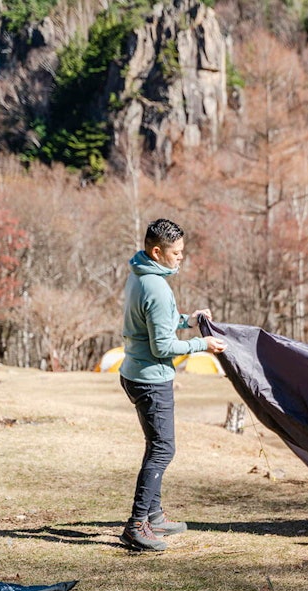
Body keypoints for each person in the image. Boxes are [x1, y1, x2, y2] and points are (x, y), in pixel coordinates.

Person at [118, 218, 226, 551]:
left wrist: (188, 321)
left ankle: (154, 516)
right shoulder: (157, 288)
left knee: (156, 446)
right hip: (151, 379)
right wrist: (201, 344)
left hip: (134, 372)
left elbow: (157, 323)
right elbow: (162, 347)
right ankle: (137, 526)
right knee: (163, 449)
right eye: (176, 253)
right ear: (157, 251)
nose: (181, 257)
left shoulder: (140, 277)